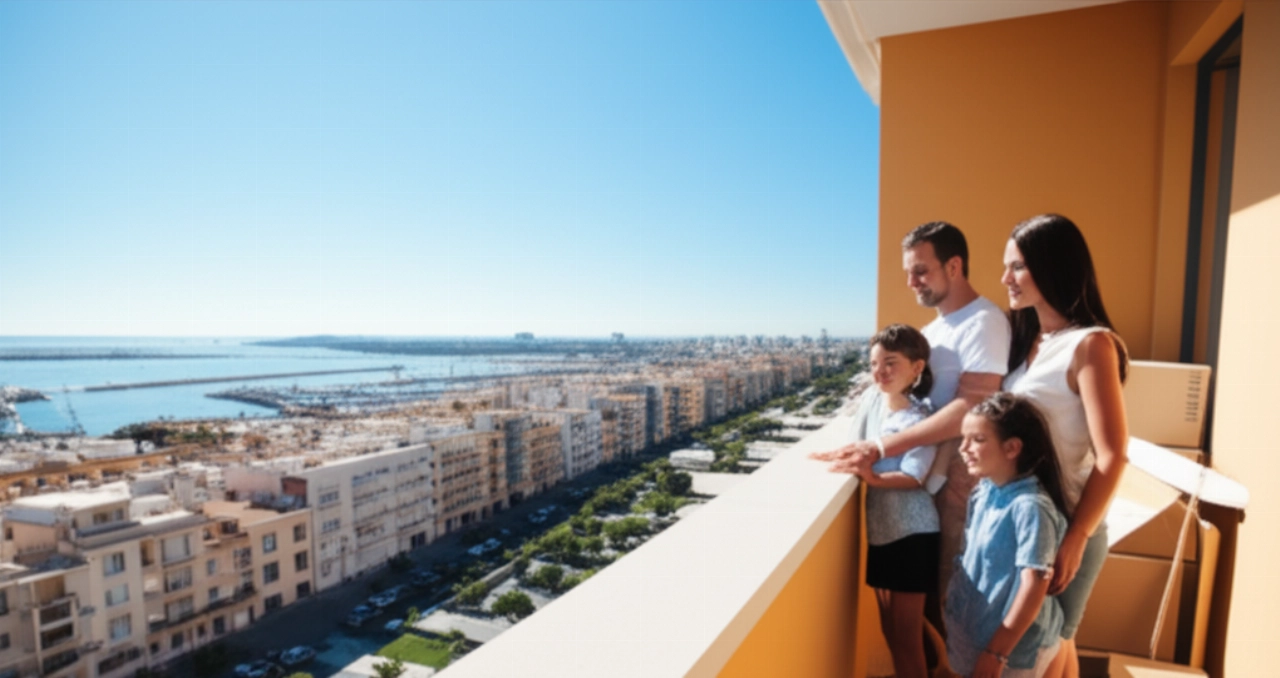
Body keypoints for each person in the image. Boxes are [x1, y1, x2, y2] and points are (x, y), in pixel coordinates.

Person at [814, 221, 1011, 600]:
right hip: (923, 487)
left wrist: (882, 447)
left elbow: (974, 407)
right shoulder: (933, 332)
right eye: (908, 273)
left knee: (951, 603)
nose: (911, 282)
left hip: (957, 485)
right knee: (925, 609)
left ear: (953, 266)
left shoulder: (984, 322)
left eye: (920, 271)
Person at [1000, 214, 1128, 678]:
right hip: (1025, 526)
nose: (1005, 278)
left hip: (1064, 532)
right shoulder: (1027, 342)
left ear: (1052, 265)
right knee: (1055, 652)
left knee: (1042, 657)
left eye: (1017, 266)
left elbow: (1113, 455)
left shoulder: (1091, 346)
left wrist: (1077, 539)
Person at [947, 393, 1070, 678]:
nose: (963, 448)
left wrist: (996, 653)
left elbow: (1035, 584)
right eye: (963, 438)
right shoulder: (983, 492)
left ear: (1012, 447)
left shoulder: (1030, 507)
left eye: (977, 439)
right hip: (976, 638)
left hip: (1010, 654)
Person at [852, 324, 941, 678]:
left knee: (906, 636)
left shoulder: (919, 418)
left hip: (912, 534)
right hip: (884, 533)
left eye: (890, 363)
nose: (880, 372)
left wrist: (872, 477)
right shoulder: (874, 404)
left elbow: (915, 475)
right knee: (891, 631)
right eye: (874, 364)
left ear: (916, 367)